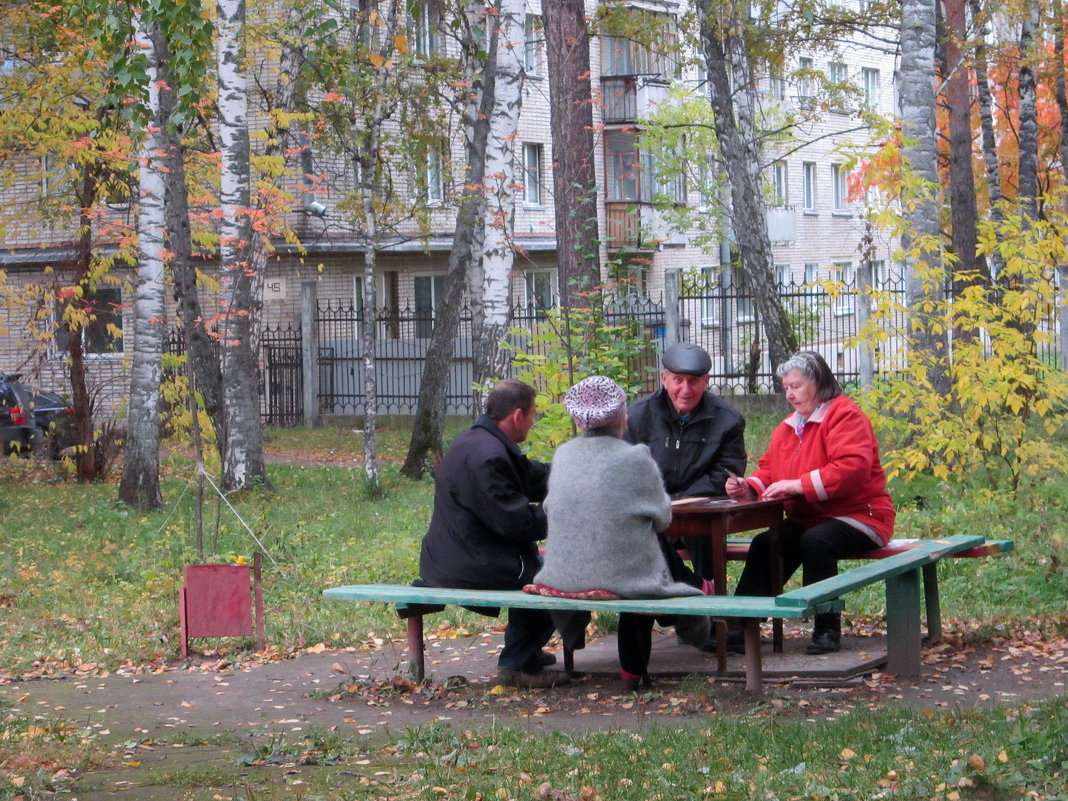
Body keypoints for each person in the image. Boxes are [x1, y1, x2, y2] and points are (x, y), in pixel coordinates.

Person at [529, 375, 709, 692]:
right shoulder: (635, 457)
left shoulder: (564, 455)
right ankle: (634, 672)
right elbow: (663, 517)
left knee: (637, 558)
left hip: (562, 575)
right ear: (622, 418)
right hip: (618, 577)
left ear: (577, 418)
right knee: (640, 569)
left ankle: (636, 662)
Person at [725, 351, 895, 654]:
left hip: (862, 516)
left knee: (817, 541)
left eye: (796, 386)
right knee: (766, 543)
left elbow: (851, 470)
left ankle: (826, 630)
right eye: (786, 387)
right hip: (811, 519)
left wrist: (796, 485)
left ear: (817, 383)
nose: (789, 395)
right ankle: (740, 627)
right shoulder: (789, 426)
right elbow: (770, 470)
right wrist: (747, 487)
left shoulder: (845, 416)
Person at [417, 379, 568, 688]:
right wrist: (569, 511)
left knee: (540, 571)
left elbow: (530, 476)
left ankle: (524, 650)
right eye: (532, 415)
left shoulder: (479, 441)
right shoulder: (489, 456)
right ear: (517, 415)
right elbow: (518, 523)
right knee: (563, 582)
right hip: (471, 564)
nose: (533, 421)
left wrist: (574, 469)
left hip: (456, 556)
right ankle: (518, 664)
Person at [625, 342, 747, 580]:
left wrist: (682, 501)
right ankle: (689, 593)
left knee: (705, 533)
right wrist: (660, 502)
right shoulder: (638, 416)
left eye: (693, 381)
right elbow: (627, 472)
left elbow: (726, 473)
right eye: (678, 380)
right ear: (664, 379)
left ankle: (710, 609)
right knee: (640, 534)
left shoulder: (728, 420)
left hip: (700, 511)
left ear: (706, 381)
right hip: (652, 510)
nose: (685, 389)